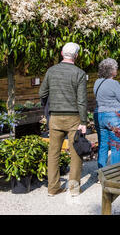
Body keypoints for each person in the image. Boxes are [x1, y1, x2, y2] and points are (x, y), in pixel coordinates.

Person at [39, 42, 87, 197]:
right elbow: (81, 100)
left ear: (61, 53)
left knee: (53, 153)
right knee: (75, 153)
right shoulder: (79, 73)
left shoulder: (51, 71)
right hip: (73, 117)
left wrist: (48, 108)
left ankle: (52, 188)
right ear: (77, 56)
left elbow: (42, 92)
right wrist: (84, 122)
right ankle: (73, 189)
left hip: (55, 117)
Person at [94, 58, 120, 169]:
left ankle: (101, 173)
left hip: (99, 115)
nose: (117, 70)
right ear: (111, 70)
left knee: (103, 145)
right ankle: (115, 174)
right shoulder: (114, 83)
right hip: (113, 116)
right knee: (116, 145)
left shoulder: (97, 82)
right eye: (116, 68)